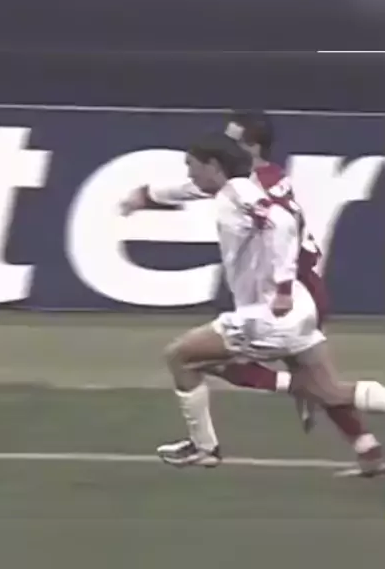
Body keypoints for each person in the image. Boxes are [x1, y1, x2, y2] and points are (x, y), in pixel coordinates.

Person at [121, 133, 385, 475]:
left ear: (213, 166)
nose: (189, 173)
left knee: (181, 356)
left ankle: (204, 447)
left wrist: (283, 287)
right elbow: (189, 190)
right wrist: (145, 196)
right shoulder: (236, 189)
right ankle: (361, 444)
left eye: (192, 165)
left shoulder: (238, 195)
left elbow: (282, 223)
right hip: (297, 310)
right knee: (331, 392)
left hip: (269, 314)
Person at [223, 111, 383, 470]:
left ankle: (298, 388)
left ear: (252, 146)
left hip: (293, 295)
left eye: (230, 141)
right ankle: (367, 448)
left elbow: (281, 231)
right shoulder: (264, 177)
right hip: (299, 289)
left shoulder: (256, 187)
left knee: (220, 361)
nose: (221, 146)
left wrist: (282, 289)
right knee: (321, 383)